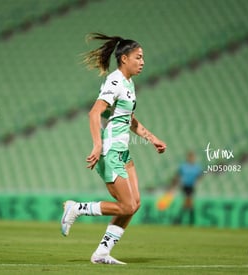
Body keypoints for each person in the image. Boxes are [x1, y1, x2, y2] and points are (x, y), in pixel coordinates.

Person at [60, 33, 167, 265]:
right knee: (126, 205)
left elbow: (128, 119)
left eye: (143, 58)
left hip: (123, 152)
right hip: (109, 152)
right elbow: (94, 112)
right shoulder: (115, 81)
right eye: (138, 57)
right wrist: (97, 145)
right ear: (124, 58)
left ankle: (101, 254)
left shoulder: (129, 83)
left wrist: (151, 137)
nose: (143, 62)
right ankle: (76, 208)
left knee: (134, 205)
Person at [170, 151, 203, 225]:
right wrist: (177, 183)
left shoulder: (197, 167)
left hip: (191, 186)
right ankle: (190, 221)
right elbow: (178, 175)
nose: (192, 159)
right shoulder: (184, 166)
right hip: (185, 186)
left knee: (188, 203)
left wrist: (196, 182)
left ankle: (180, 220)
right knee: (189, 203)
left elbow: (200, 175)